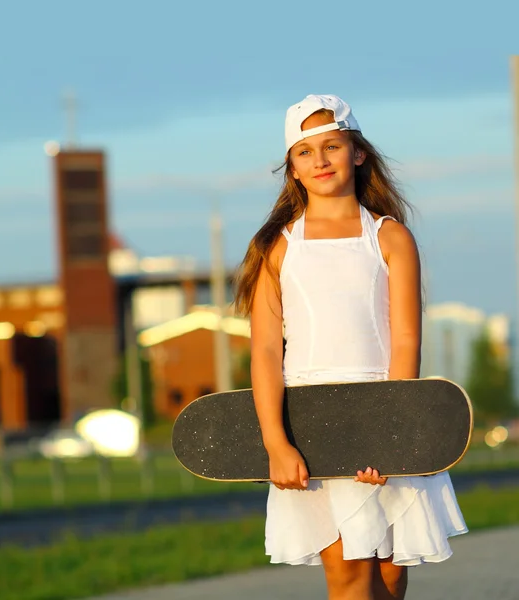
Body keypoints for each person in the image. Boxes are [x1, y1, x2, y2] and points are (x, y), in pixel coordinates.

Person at [233, 95, 468, 600]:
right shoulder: (277, 248)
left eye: (332, 146)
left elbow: (406, 340)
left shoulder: (389, 238)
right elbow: (266, 353)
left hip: (382, 415)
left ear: (357, 154)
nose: (319, 161)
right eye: (305, 152)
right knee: (347, 575)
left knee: (388, 576)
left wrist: (391, 434)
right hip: (311, 425)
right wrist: (277, 443)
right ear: (292, 169)